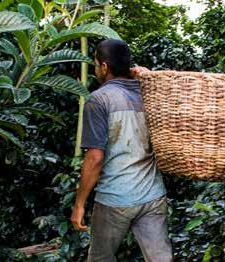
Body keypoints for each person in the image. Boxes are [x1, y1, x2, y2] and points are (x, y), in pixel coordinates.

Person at [70, 39, 173, 261]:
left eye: (96, 64)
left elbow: (95, 157)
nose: (96, 69)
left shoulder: (99, 99)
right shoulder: (149, 93)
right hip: (153, 196)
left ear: (105, 67)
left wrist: (79, 205)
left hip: (115, 199)